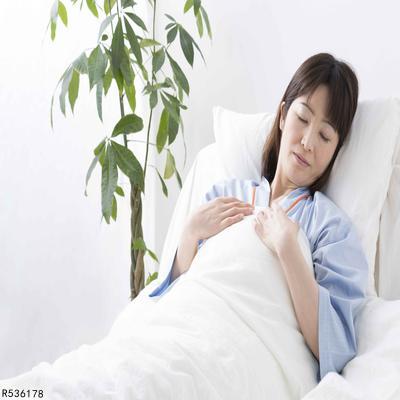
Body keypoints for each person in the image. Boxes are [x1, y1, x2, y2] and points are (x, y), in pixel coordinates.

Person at [148, 52, 368, 383]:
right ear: (282, 115)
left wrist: (289, 250)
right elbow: (177, 296)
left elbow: (335, 348)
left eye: (325, 136)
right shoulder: (226, 194)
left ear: (336, 150)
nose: (308, 142)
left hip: (242, 358)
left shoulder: (329, 227)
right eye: (302, 118)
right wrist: (190, 234)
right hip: (181, 335)